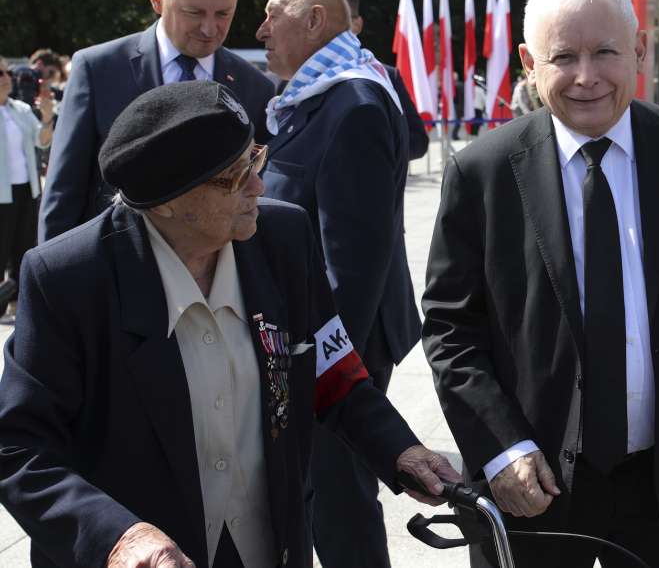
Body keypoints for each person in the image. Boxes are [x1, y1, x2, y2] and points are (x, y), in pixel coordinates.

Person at [0, 81, 459, 568]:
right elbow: (19, 446)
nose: (259, 185)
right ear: (166, 202)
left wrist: (399, 449)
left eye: (255, 159)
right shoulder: (68, 278)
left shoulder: (284, 238)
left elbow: (332, 370)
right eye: (234, 177)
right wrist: (116, 536)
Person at [421, 0, 659, 568]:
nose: (586, 78)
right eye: (564, 57)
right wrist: (501, 448)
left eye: (606, 52)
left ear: (637, 50)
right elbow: (452, 332)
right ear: (529, 64)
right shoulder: (482, 172)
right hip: (532, 486)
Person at [256, 0, 419, 568]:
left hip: (335, 350)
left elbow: (352, 263)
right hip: (312, 343)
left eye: (274, 14)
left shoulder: (351, 104)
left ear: (315, 21)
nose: (261, 29)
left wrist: (323, 367)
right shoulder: (319, 96)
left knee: (340, 504)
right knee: (316, 494)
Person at [39, 0, 274, 244]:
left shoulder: (254, 87)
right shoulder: (98, 70)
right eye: (194, 12)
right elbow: (63, 194)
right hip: (115, 267)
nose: (209, 28)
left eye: (223, 13)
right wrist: (54, 285)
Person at [340, 0, 429, 161]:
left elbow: (418, 142)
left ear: (357, 24)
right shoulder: (293, 80)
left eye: (339, 20)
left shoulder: (386, 76)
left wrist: (369, 148)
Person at [0, 59, 53, 310]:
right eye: (1, 73)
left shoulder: (20, 109)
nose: (6, 77)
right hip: (1, 194)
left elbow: (43, 142)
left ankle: (18, 302)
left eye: (8, 72)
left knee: (23, 247)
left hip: (27, 189)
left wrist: (46, 118)